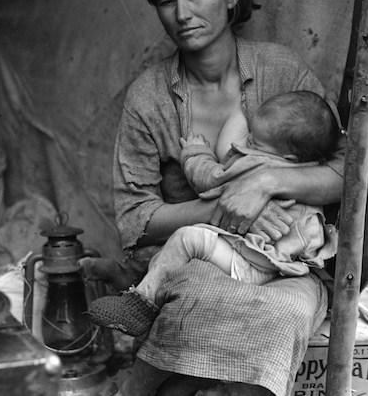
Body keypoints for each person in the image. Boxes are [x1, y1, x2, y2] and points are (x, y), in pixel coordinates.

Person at [83, 0, 346, 395]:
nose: (182, 13)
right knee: (198, 301)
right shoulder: (150, 97)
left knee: (280, 318)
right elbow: (134, 219)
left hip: (288, 266)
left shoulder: (281, 71)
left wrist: (262, 184)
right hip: (202, 260)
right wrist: (226, 209)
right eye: (166, 0)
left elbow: (347, 175)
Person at [88, 91, 340, 338]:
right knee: (184, 253)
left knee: (187, 239)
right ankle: (134, 278)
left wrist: (196, 153)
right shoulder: (310, 170)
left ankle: (140, 305)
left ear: (287, 156)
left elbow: (210, 179)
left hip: (254, 264)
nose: (246, 142)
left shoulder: (258, 164)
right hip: (278, 263)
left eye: (254, 142)